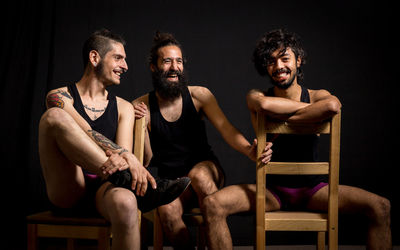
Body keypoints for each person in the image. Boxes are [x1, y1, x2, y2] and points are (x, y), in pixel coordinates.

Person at [203, 29, 392, 250]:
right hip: (270, 191)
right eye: (271, 61)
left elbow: (332, 106)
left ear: (298, 61)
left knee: (381, 206)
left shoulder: (316, 94)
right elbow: (263, 106)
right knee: (212, 204)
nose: (279, 66)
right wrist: (312, 114)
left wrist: (283, 118)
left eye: (285, 58)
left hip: (314, 191)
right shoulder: (258, 95)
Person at [38, 29, 190, 250]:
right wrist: (124, 156)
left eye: (125, 60)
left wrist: (125, 155)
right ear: (94, 58)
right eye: (118, 58)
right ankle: (131, 182)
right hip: (69, 187)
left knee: (127, 202)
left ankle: (124, 181)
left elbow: (121, 156)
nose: (125, 66)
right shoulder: (59, 96)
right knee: (53, 116)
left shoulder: (123, 108)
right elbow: (88, 133)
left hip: (105, 188)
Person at [132, 31, 272, 249]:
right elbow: (146, 159)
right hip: (173, 184)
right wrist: (141, 124)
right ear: (153, 67)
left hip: (207, 171)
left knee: (198, 175)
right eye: (167, 61)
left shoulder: (199, 95)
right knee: (166, 210)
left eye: (178, 61)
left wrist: (248, 150)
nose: (174, 67)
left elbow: (226, 129)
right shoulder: (141, 106)